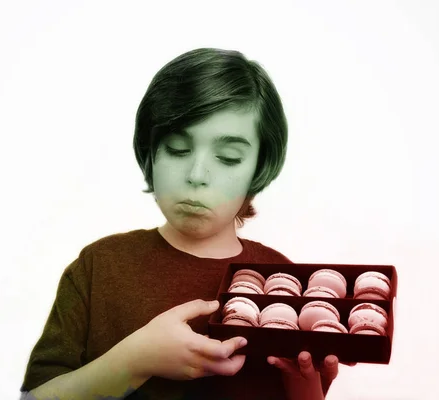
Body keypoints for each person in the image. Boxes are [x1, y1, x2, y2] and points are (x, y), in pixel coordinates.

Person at [19, 48, 345, 400]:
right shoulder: (98, 267)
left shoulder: (285, 285)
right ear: (150, 151)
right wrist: (135, 361)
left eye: (228, 158)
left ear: (258, 167)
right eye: (177, 148)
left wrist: (303, 385)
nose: (196, 175)